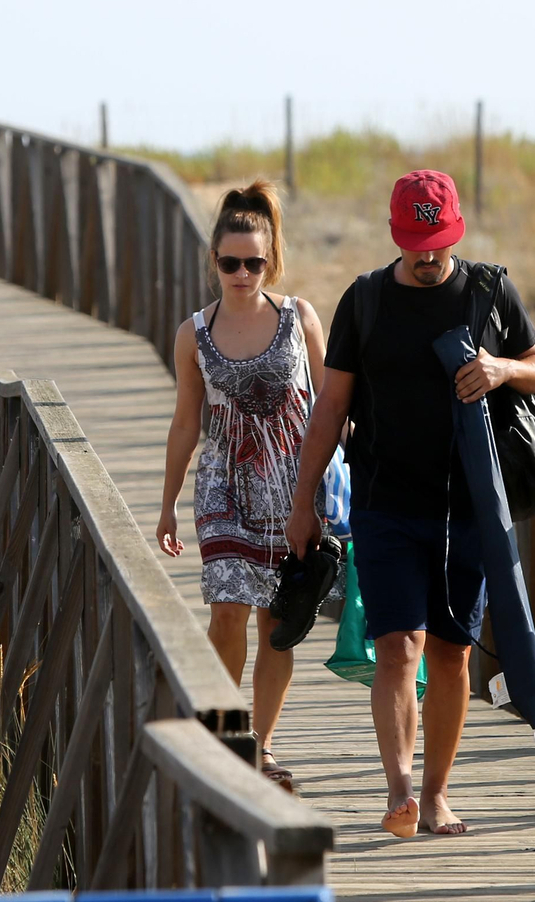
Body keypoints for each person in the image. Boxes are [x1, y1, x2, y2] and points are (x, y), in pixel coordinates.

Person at [284, 169, 535, 836]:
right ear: (395, 234)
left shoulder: (490, 291)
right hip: (386, 504)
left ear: (454, 229)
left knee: (452, 653)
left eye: (436, 242)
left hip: (469, 509)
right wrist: (304, 501)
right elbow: (332, 407)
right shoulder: (367, 300)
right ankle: (400, 792)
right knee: (398, 646)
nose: (427, 256)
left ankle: (436, 795)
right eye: (415, 243)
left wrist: (503, 369)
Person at [155, 179, 346, 790]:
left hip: (293, 489)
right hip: (224, 486)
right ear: (214, 261)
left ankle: (258, 749)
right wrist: (167, 507)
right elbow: (187, 422)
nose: (243, 273)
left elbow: (330, 404)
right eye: (231, 262)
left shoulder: (300, 317)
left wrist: (328, 493)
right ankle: (222, 733)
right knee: (227, 612)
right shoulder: (193, 334)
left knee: (276, 624)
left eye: (255, 262)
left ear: (271, 260)